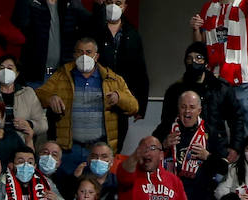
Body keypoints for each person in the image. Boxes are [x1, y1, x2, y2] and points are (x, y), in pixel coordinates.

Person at [35, 35, 139, 169]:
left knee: (95, 188)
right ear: (74, 55)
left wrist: (119, 97)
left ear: (96, 56)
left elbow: (134, 106)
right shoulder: (61, 76)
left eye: (88, 52)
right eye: (80, 52)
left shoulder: (112, 79)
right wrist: (50, 98)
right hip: (69, 149)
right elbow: (39, 94)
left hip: (99, 150)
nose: (84, 56)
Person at [160, 42, 246, 165]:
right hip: (183, 153)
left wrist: (235, 147)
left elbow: (237, 119)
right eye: (189, 58)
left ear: (206, 62)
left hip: (216, 151)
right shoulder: (175, 91)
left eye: (198, 58)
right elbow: (165, 123)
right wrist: (162, 143)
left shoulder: (221, 88)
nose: (193, 61)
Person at [191, 0, 248, 133]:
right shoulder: (209, 6)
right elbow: (200, 45)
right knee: (212, 131)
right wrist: (196, 29)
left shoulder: (245, 4)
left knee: (244, 133)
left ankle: (247, 154)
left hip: (242, 80)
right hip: (213, 80)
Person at [156, 89, 229, 200]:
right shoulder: (166, 128)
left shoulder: (211, 132)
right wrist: (163, 145)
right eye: (183, 107)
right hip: (170, 197)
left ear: (199, 111)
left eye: (192, 107)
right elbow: (148, 154)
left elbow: (224, 167)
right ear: (178, 109)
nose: (187, 111)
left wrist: (208, 156)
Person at [90, 0, 148, 151]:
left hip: (122, 98)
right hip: (95, 97)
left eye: (118, 2)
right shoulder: (94, 30)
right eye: (110, 2)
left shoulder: (132, 34)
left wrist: (141, 104)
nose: (114, 6)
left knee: (115, 147)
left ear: (125, 7)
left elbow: (140, 70)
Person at [12, 0, 93, 87]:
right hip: (35, 77)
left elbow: (91, 27)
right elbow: (19, 24)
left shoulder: (72, 3)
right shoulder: (31, 3)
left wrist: (99, 6)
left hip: (62, 76)